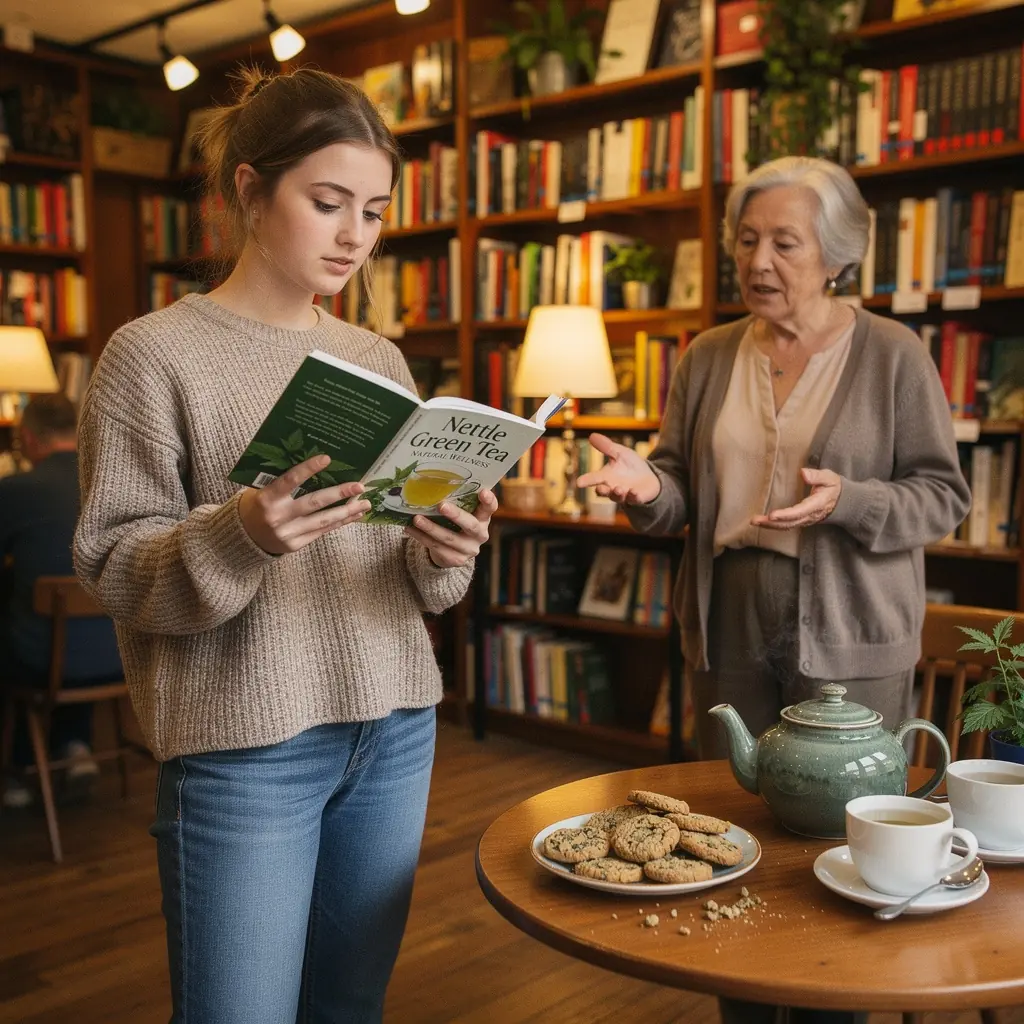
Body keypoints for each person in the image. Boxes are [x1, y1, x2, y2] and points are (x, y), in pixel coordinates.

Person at [73, 67, 495, 1024]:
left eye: (376, 210)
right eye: (328, 202)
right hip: (242, 747)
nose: (356, 235)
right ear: (247, 190)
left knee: (349, 1008)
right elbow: (111, 563)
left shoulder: (377, 359)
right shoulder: (154, 355)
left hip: (394, 729)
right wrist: (240, 534)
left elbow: (415, 582)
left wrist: (446, 544)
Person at [578, 155, 971, 1024]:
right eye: (747, 241)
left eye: (784, 243)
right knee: (728, 834)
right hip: (728, 614)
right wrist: (649, 489)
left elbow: (944, 496)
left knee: (840, 844)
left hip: (854, 623)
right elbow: (680, 484)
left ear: (835, 254)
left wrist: (852, 500)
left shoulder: (894, 354)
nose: (759, 261)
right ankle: (742, 1007)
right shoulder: (709, 355)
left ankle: (837, 1007)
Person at [0, 393, 120, 808]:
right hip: (119, 657)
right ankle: (75, 746)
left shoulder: (15, 490)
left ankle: (14, 772)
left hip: (44, 661)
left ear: (29, 439)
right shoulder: (113, 480)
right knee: (68, 622)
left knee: (25, 628)